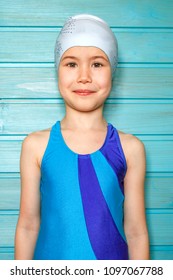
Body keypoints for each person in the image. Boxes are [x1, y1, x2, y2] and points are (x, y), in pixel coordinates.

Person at [15, 14, 149, 260]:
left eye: (97, 64)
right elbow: (27, 226)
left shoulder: (130, 148)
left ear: (112, 71)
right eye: (71, 64)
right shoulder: (36, 146)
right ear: (58, 70)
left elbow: (136, 231)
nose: (84, 76)